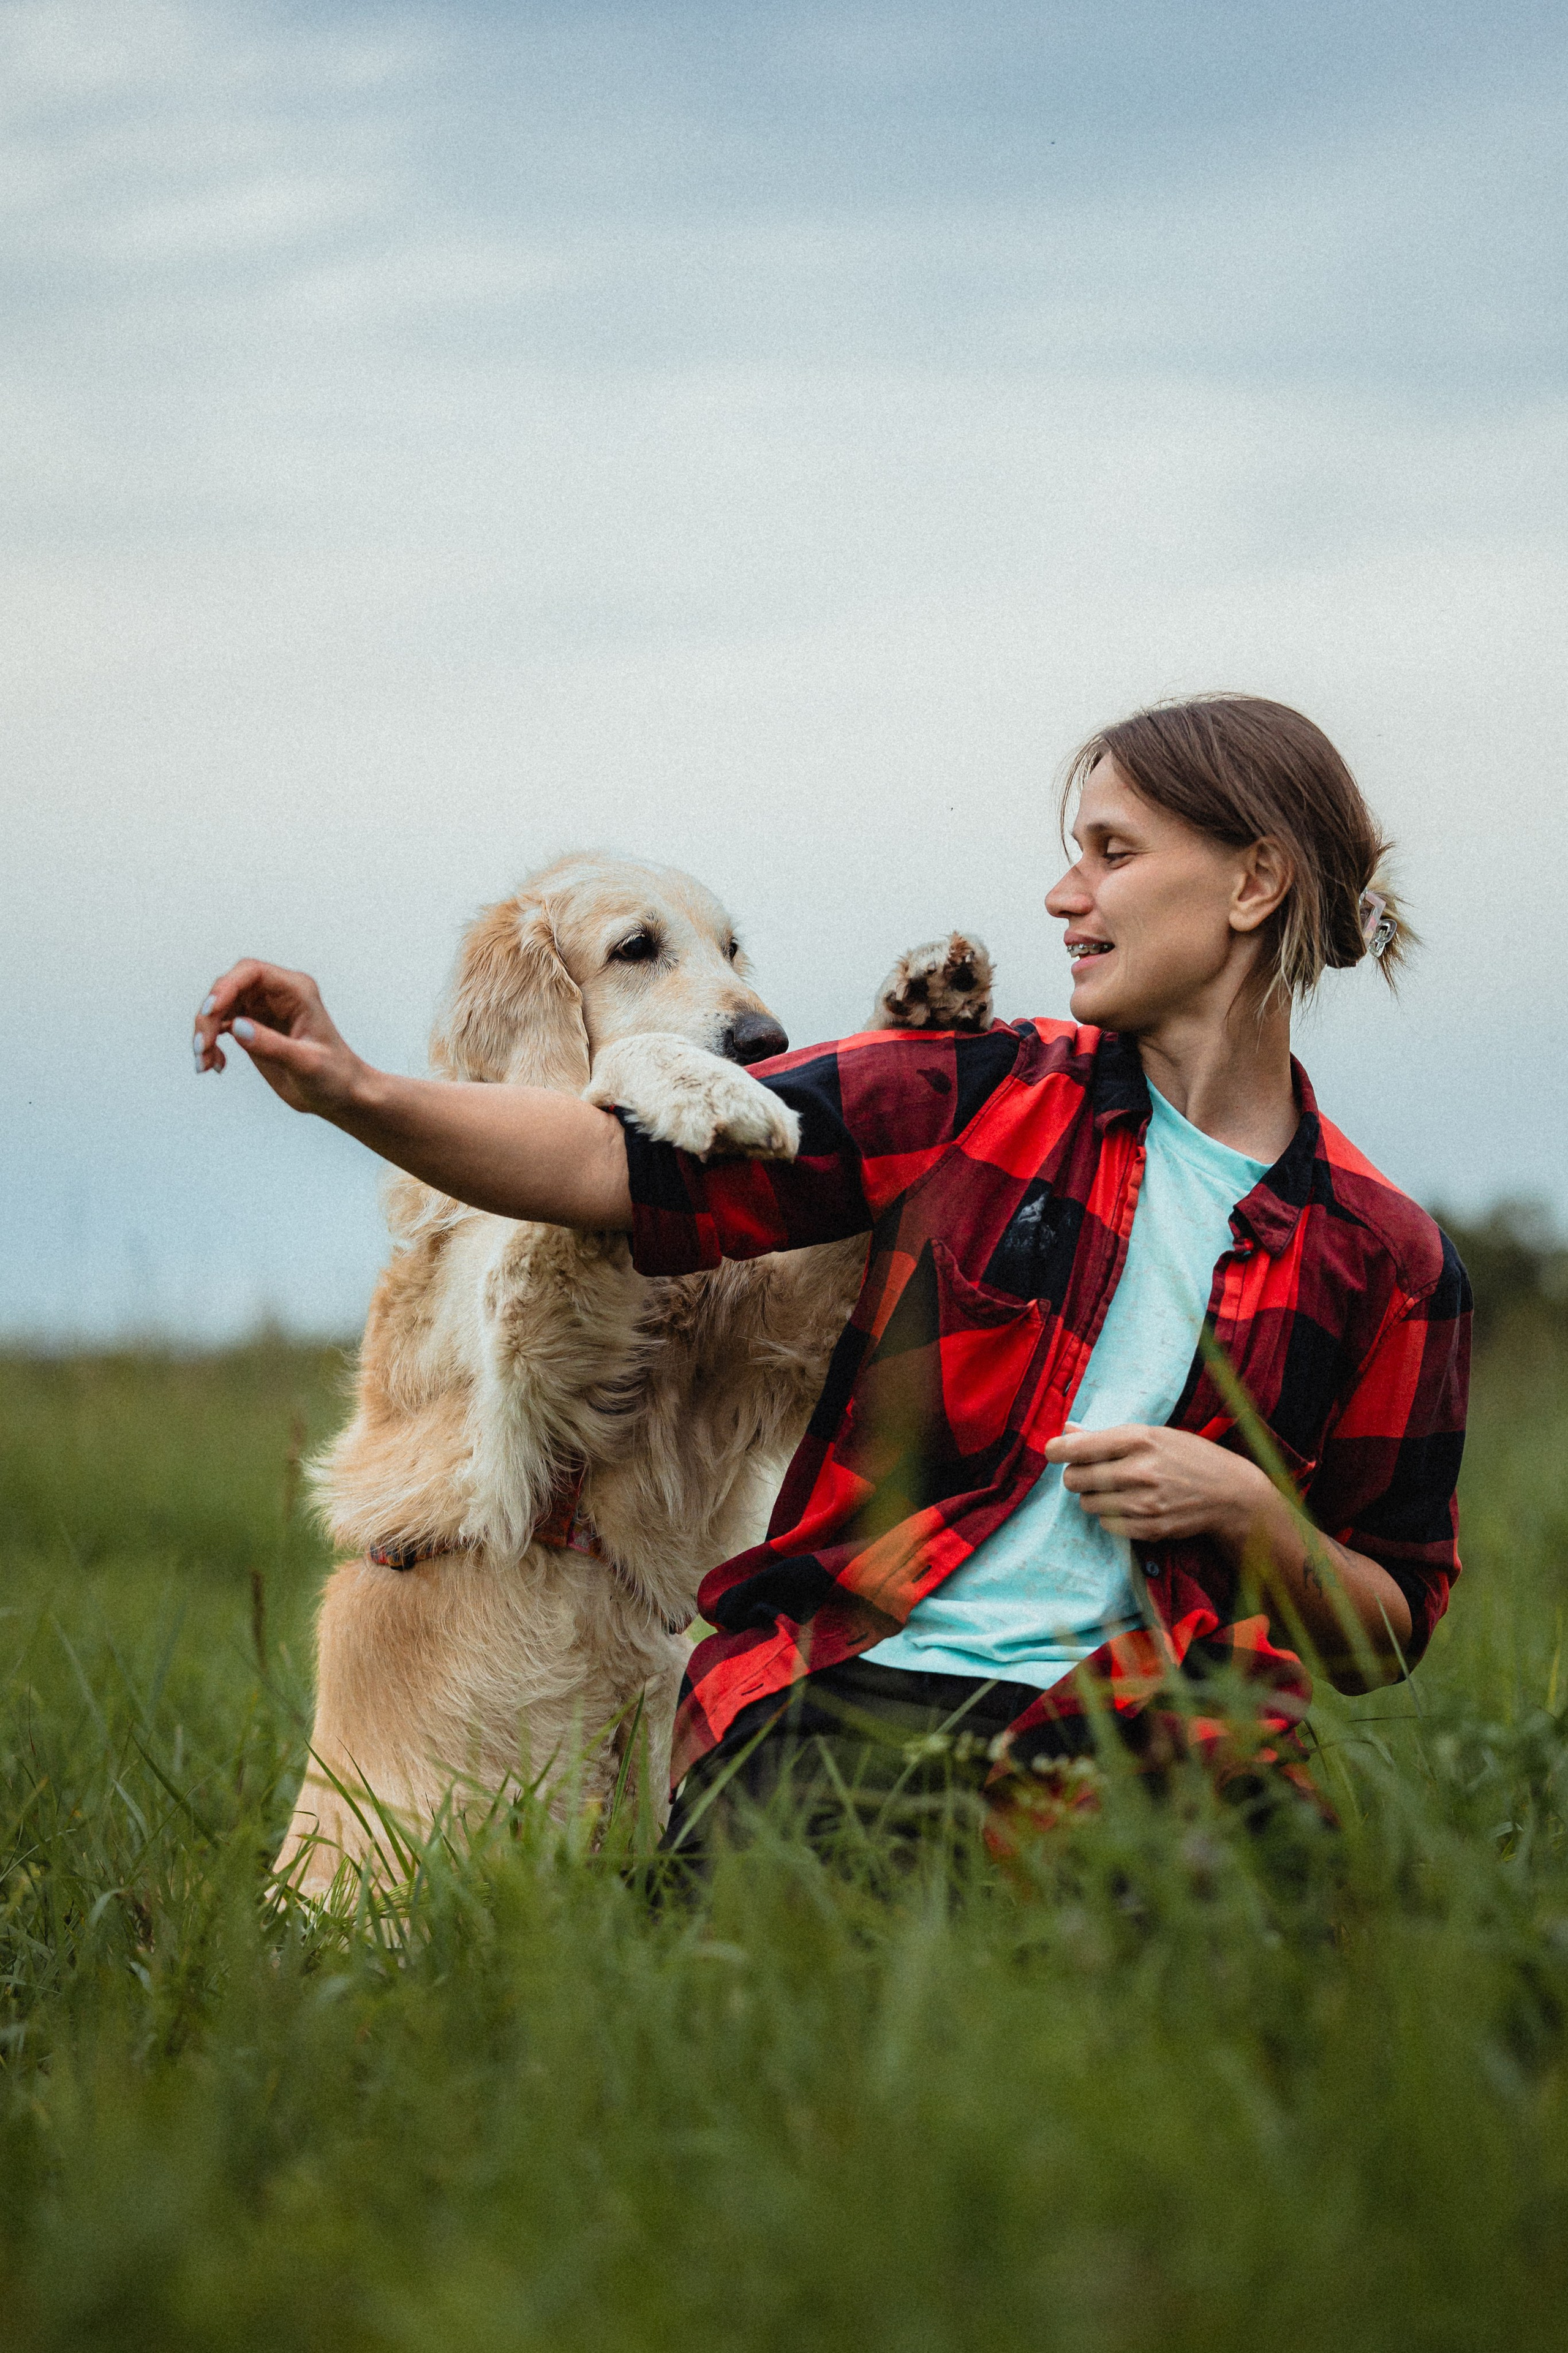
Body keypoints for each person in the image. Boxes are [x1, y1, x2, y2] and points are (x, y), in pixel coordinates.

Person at [195, 694, 1470, 1857]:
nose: (1058, 895)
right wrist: (350, 1086)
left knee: (1251, 1932)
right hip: (847, 1698)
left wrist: (1251, 1515)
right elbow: (604, 1170)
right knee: (814, 1967)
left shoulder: (1386, 1260)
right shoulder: (968, 1090)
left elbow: (1387, 1624)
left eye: (1110, 854)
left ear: (1253, 881)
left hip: (1160, 1722)